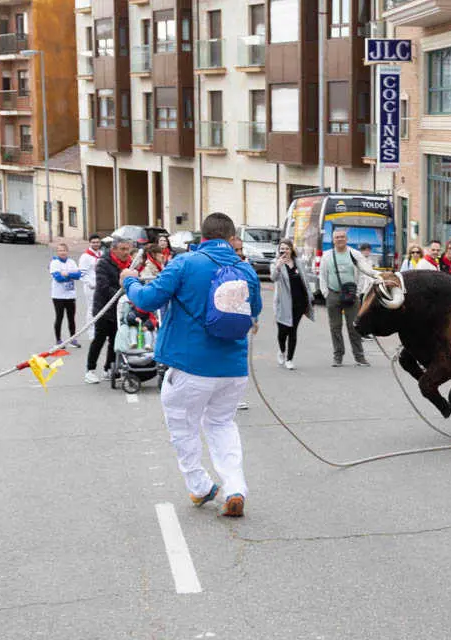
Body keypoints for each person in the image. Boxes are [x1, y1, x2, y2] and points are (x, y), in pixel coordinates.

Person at [120, 213, 262, 518]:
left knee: (182, 426)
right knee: (222, 424)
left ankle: (200, 485)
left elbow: (147, 299)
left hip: (190, 366)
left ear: (203, 237)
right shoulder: (245, 269)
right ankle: (235, 487)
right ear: (230, 236)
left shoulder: (185, 263)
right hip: (233, 369)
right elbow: (256, 309)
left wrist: (129, 281)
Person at [318, 228, 377, 367]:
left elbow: (363, 273)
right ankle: (338, 356)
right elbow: (322, 275)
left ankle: (359, 357)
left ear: (347, 239)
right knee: (335, 327)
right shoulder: (327, 256)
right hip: (333, 294)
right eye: (337, 237)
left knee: (354, 327)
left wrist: (358, 292)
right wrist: (326, 293)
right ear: (333, 240)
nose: (340, 239)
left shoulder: (354, 254)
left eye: (342, 237)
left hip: (351, 295)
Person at [85, 237, 134, 384]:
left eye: (128, 249)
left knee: (115, 340)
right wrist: (123, 294)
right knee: (99, 339)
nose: (127, 252)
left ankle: (109, 368)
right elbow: (103, 286)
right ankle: (90, 370)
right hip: (103, 308)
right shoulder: (103, 263)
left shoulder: (130, 264)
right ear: (114, 250)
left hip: (120, 309)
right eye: (123, 249)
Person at [272, 238, 314, 370]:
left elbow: (305, 280)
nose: (284, 251)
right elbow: (273, 278)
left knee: (293, 331)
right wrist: (278, 266)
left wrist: (310, 296)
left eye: (287, 248)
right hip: (283, 303)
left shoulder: (298, 262)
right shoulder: (275, 263)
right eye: (282, 249)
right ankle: (282, 350)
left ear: (291, 250)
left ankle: (289, 359)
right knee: (282, 331)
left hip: (299, 303)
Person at [49, 242, 82, 348]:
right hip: (58, 295)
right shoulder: (54, 263)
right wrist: (69, 276)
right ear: (57, 252)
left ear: (67, 251)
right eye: (59, 250)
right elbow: (58, 278)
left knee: (71, 318)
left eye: (64, 250)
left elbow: (78, 275)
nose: (62, 252)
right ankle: (58, 340)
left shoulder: (71, 262)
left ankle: (73, 338)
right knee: (59, 317)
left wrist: (67, 274)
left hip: (70, 295)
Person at [78, 234, 103, 340]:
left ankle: (101, 331)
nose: (96, 244)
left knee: (102, 309)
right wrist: (90, 283)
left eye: (97, 242)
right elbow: (81, 274)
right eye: (93, 242)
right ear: (90, 243)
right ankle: (91, 333)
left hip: (101, 286)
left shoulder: (101, 254)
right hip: (91, 287)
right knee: (91, 309)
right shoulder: (85, 257)